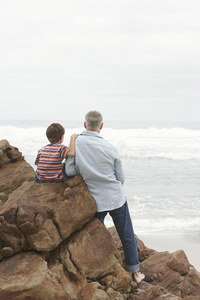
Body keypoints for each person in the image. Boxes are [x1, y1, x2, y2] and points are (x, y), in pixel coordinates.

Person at [65, 111, 145, 284]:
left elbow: (70, 171)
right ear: (101, 126)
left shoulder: (76, 144)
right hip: (116, 198)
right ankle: (135, 272)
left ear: (85, 124)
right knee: (127, 234)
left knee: (95, 237)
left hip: (95, 201)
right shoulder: (110, 147)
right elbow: (121, 178)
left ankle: (95, 270)